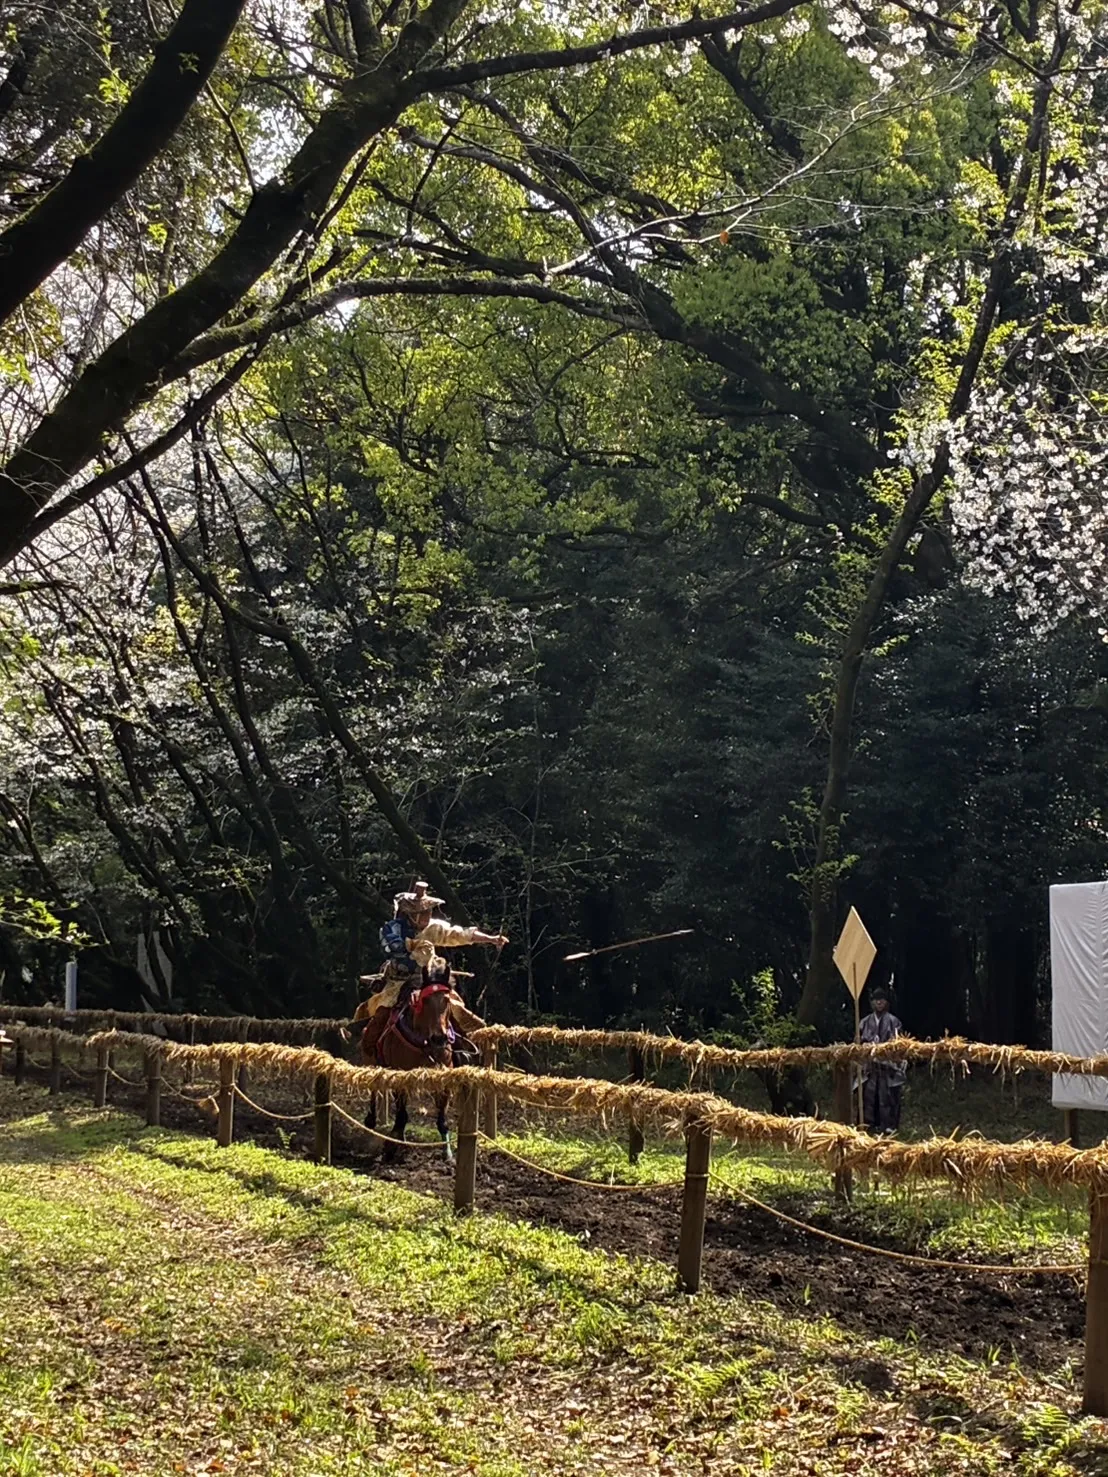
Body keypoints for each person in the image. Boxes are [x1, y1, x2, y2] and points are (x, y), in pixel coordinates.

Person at [358, 883, 506, 1056]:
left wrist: (491, 939)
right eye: (422, 914)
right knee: (381, 1012)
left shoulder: (433, 927)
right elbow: (393, 949)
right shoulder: (392, 929)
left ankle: (467, 1051)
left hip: (431, 978)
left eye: (428, 912)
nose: (426, 917)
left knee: (455, 1007)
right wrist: (413, 949)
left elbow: (459, 934)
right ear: (411, 914)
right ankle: (370, 1052)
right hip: (400, 980)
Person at [859, 987, 905, 1134]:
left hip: (887, 1066)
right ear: (872, 1003)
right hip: (870, 1066)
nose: (879, 1002)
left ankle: (888, 1126)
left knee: (888, 1098)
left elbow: (899, 1045)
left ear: (886, 1002)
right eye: (876, 1000)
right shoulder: (864, 1022)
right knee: (869, 1097)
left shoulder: (894, 1022)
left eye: (882, 1000)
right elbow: (858, 1044)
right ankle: (868, 1125)